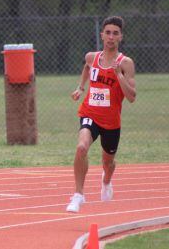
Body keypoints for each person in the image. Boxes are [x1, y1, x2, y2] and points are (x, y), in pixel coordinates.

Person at [66, 16, 136, 213]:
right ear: (102, 35)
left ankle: (106, 181)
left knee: (108, 163)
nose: (111, 37)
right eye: (108, 33)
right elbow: (87, 67)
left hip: (111, 122)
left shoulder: (126, 63)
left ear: (121, 36)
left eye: (115, 33)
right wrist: (80, 87)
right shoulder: (92, 57)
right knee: (81, 147)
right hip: (90, 113)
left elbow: (131, 97)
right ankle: (78, 194)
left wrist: (119, 76)